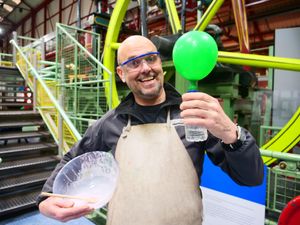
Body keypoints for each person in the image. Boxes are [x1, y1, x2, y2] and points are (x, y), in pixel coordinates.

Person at [38, 35, 264, 224]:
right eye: (134, 63)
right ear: (121, 74)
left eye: (151, 59)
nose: (146, 68)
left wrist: (232, 135)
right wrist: (47, 197)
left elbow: (250, 178)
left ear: (161, 65)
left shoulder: (191, 117)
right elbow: (73, 157)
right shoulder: (112, 122)